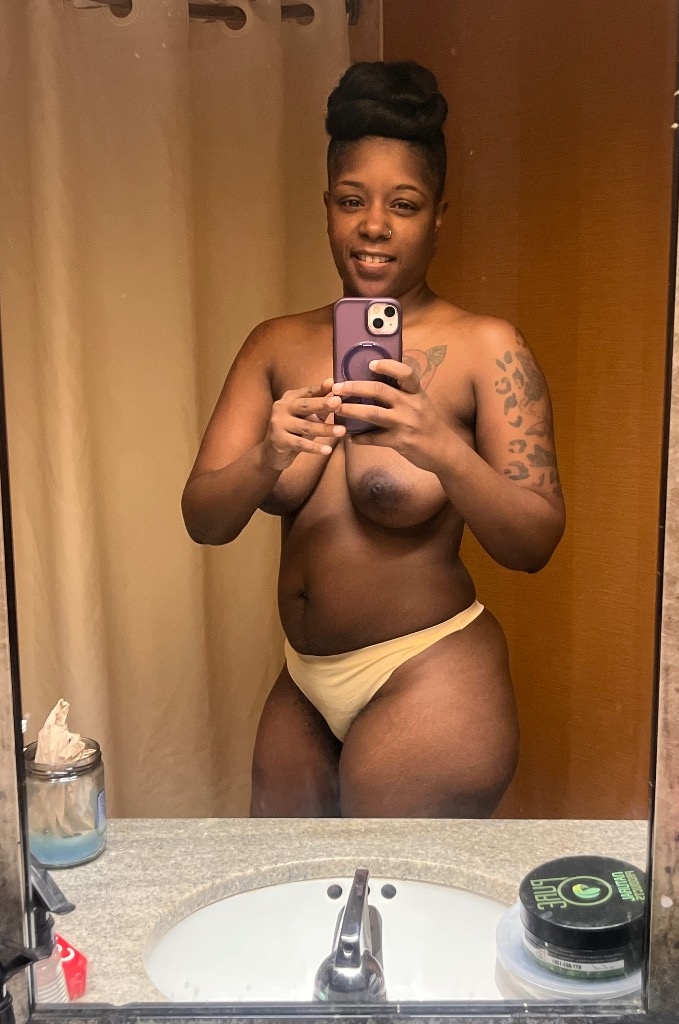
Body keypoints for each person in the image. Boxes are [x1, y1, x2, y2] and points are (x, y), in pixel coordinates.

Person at [181, 61, 565, 818]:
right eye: (352, 200)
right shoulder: (275, 343)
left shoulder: (487, 347)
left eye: (404, 205)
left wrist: (440, 446)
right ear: (327, 207)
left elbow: (535, 542)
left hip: (430, 672)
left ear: (438, 217)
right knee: (285, 882)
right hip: (303, 681)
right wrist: (268, 456)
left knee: (392, 889)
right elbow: (204, 518)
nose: (375, 226)